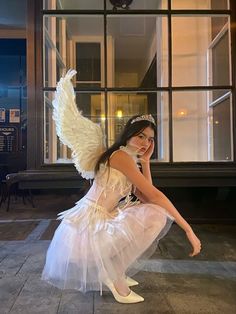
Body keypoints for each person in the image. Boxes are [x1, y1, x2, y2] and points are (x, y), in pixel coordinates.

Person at [41, 70, 201, 304]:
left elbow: (146, 195)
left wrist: (146, 163)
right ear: (128, 135)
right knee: (157, 215)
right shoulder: (121, 157)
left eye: (149, 139)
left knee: (155, 214)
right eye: (140, 136)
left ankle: (115, 270)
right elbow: (154, 195)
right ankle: (114, 276)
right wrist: (188, 229)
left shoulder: (129, 158)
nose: (145, 142)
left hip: (104, 215)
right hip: (90, 224)